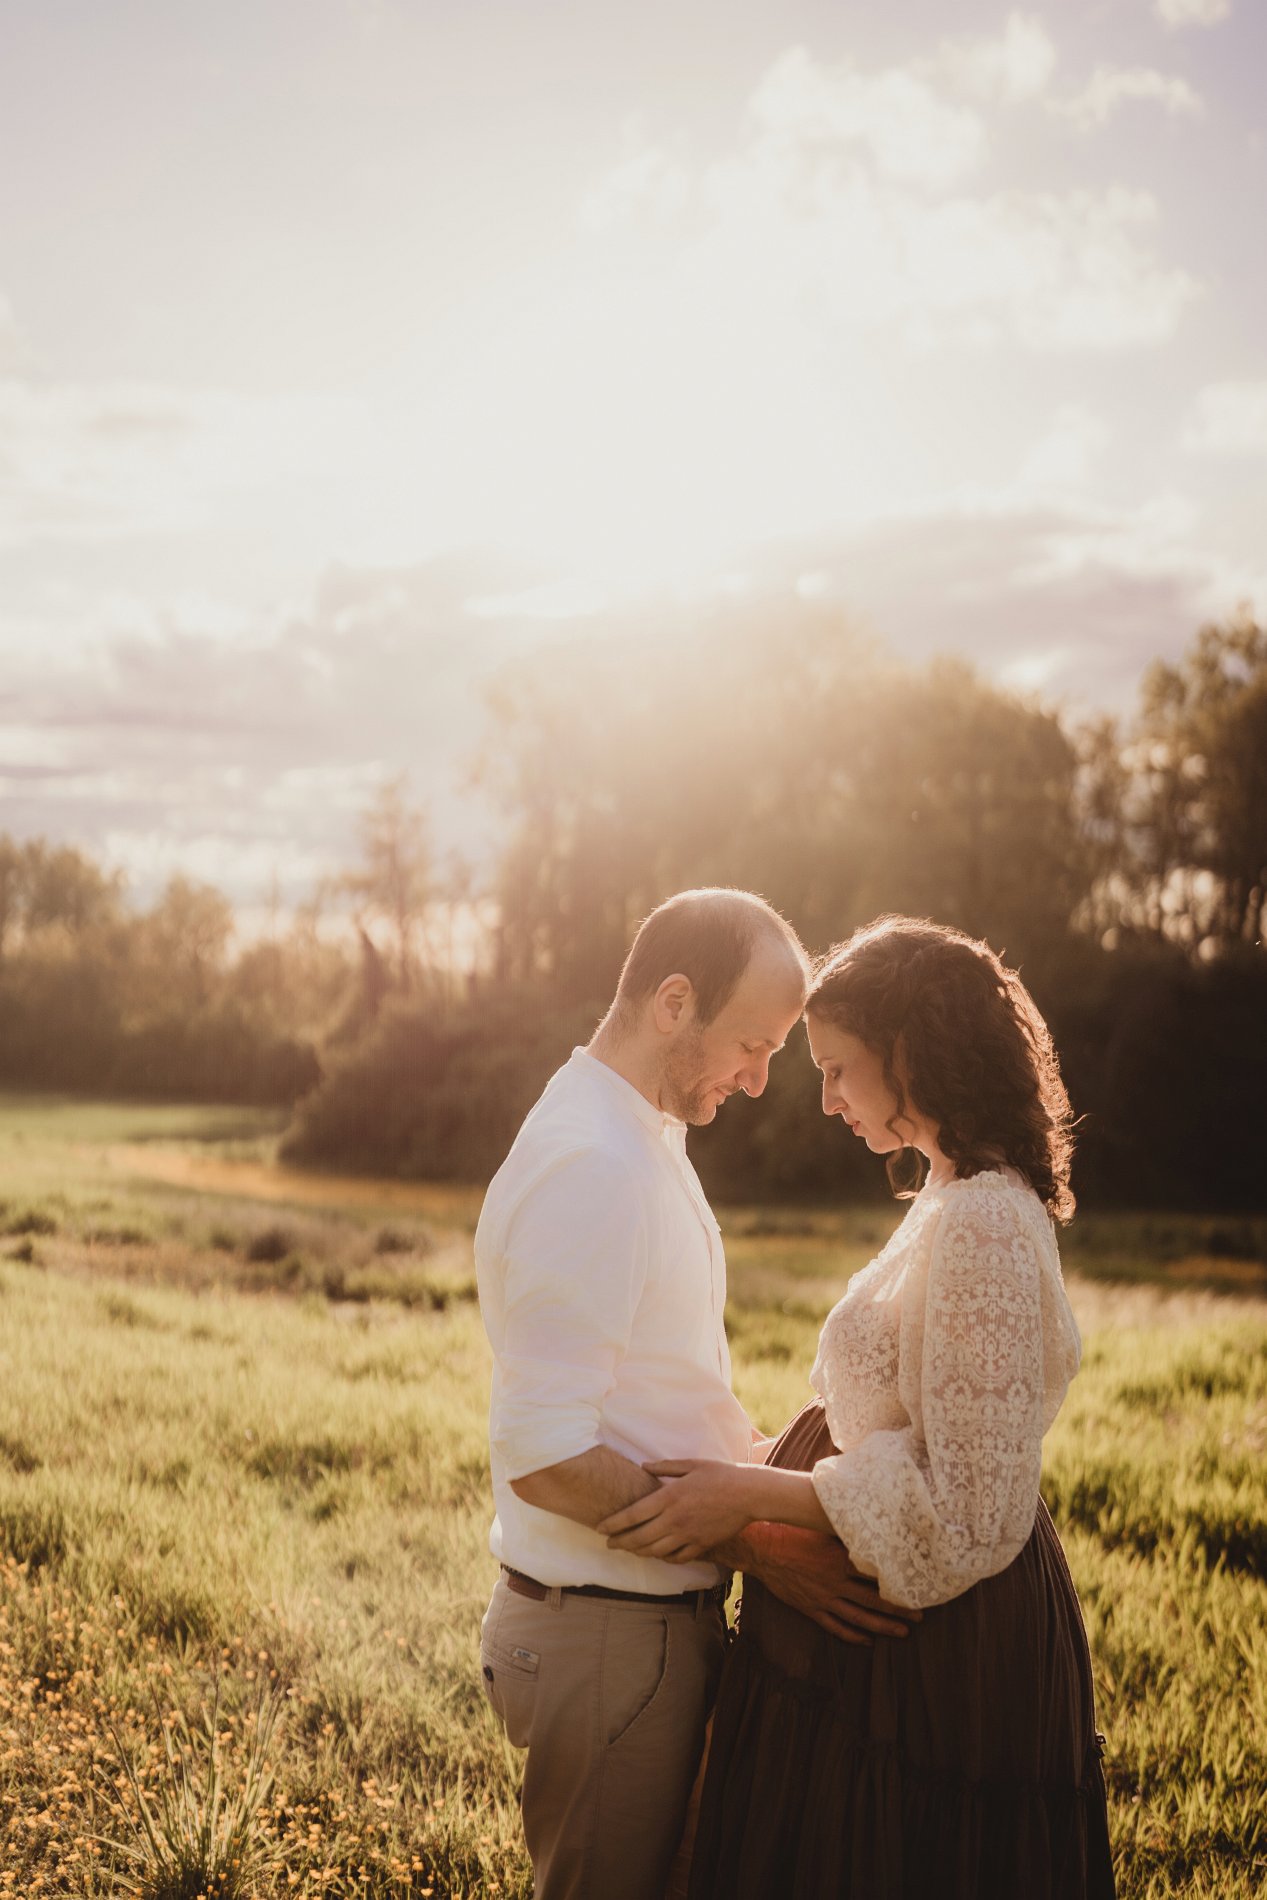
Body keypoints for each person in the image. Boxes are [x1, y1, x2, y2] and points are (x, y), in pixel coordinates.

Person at [601, 915, 1117, 1900]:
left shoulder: (984, 1225)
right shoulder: (945, 1194)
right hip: (870, 1625)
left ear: (911, 1050)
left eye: (838, 1068)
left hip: (930, 1653)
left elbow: (968, 1510)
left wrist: (751, 1494)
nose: (827, 1099)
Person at [475, 889, 919, 1900]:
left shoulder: (637, 1137)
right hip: (604, 1637)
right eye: (752, 1045)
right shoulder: (596, 1163)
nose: (761, 1082)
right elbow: (542, 1453)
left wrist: (773, 1474)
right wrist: (753, 1541)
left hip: (631, 1630)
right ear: (673, 1002)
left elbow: (649, 1391)